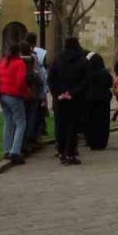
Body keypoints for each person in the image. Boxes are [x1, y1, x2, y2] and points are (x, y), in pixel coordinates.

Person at [47, 37, 88, 165]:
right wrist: (72, 93)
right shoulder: (83, 60)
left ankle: (61, 150)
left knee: (61, 124)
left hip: (60, 99)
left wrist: (58, 93)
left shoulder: (57, 59)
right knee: (73, 126)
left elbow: (51, 78)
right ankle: (70, 152)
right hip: (75, 98)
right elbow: (85, 81)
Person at [0, 42, 29, 164]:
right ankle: (15, 151)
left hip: (2, 95)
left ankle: (7, 149)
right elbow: (21, 81)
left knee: (8, 121)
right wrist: (25, 93)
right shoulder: (19, 63)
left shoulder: (3, 61)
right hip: (14, 95)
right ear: (18, 52)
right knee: (20, 123)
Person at [84, 53, 113, 150]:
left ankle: (92, 142)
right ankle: (102, 142)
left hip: (91, 100)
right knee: (103, 122)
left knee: (91, 121)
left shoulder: (88, 74)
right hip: (103, 100)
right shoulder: (105, 73)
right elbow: (110, 84)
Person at [27, 33, 50, 140]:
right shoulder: (39, 54)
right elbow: (41, 72)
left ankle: (36, 133)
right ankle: (35, 135)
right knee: (36, 113)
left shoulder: (21, 53)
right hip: (36, 88)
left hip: (29, 88)